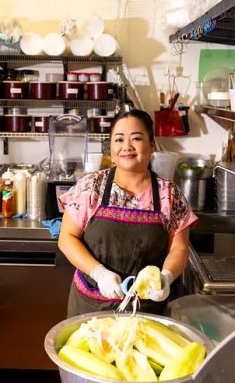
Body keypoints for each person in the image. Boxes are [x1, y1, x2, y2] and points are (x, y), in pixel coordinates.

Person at [58, 109, 197, 317]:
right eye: (119, 139)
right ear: (111, 148)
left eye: (136, 138)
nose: (126, 147)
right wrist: (99, 273)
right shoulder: (91, 187)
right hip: (90, 309)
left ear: (151, 146)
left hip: (146, 311)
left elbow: (179, 249)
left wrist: (166, 277)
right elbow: (67, 238)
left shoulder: (169, 194)